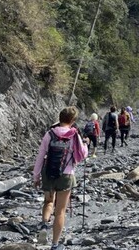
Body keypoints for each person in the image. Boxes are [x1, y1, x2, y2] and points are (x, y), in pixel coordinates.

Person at [33, 106, 88, 250]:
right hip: (66, 174)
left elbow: (40, 156)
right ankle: (55, 245)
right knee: (61, 211)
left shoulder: (49, 133)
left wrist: (36, 176)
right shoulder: (74, 135)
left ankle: (44, 225)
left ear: (60, 118)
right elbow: (82, 154)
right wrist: (86, 144)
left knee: (48, 201)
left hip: (48, 172)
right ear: (73, 120)